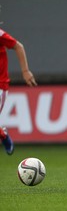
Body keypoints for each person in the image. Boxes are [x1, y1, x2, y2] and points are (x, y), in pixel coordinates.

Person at [0, 27, 37, 155]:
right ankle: (2, 134)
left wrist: (25, 71)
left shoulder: (0, 34)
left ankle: (3, 135)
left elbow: (18, 46)